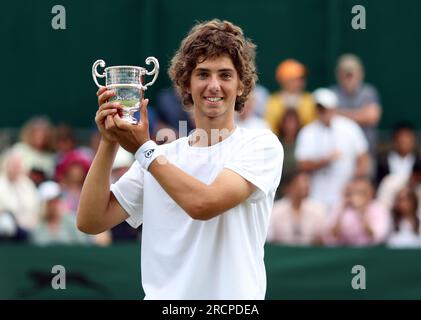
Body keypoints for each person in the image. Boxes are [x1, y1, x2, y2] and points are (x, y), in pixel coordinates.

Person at [77, 19, 284, 300]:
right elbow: (90, 221)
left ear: (242, 85)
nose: (214, 85)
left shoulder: (261, 144)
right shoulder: (158, 156)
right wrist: (109, 140)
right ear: (186, 83)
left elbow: (203, 204)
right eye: (203, 74)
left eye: (225, 75)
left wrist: (145, 150)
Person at [295, 88, 370, 209]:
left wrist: (353, 184)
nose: (323, 112)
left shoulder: (350, 128)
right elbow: (302, 164)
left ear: (334, 108)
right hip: (316, 196)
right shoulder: (307, 132)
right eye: (320, 108)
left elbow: (363, 159)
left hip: (345, 196)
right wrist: (325, 161)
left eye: (326, 108)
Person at [330, 54, 382, 158]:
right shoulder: (332, 93)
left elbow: (372, 117)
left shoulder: (369, 92)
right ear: (338, 75)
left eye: (351, 74)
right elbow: (328, 117)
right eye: (345, 74)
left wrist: (339, 114)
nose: (348, 78)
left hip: (366, 153)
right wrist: (361, 114)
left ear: (360, 74)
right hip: (339, 155)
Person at [267, 171, 327, 245]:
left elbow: (322, 240)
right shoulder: (276, 210)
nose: (304, 186)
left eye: (306, 182)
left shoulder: (318, 210)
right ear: (288, 186)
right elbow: (271, 239)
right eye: (298, 183)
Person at [264, 59, 316, 136]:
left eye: (301, 79)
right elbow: (270, 127)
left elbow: (313, 126)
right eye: (296, 79)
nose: (300, 82)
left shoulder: (309, 99)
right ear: (285, 80)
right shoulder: (273, 101)